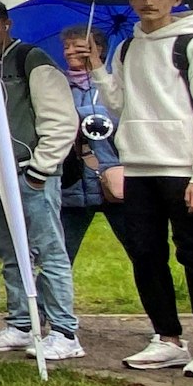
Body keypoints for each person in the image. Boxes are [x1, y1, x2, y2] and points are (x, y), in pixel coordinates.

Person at [92, 0, 193, 378]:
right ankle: (168, 338)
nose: (148, 1)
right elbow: (120, 102)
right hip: (139, 167)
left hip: (184, 169)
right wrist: (97, 69)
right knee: (146, 254)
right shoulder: (126, 46)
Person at [0, 0, 84, 360]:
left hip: (27, 172)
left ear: (6, 25)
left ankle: (65, 331)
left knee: (48, 251)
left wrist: (40, 169)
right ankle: (21, 322)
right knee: (10, 253)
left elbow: (61, 119)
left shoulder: (30, 60)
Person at [59, 26, 133, 263]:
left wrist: (86, 116)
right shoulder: (57, 86)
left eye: (77, 46)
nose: (70, 52)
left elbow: (123, 119)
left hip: (112, 178)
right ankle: (47, 301)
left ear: (97, 49)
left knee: (140, 250)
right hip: (73, 180)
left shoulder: (111, 85)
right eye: (66, 47)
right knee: (61, 252)